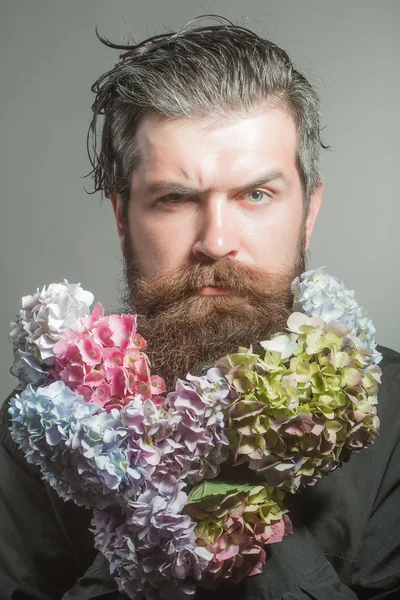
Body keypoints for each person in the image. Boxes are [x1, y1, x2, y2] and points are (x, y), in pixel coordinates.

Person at [1, 18, 399, 600]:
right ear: (122, 218)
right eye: (174, 199)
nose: (215, 240)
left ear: (308, 212)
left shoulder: (395, 419)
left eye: (256, 195)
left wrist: (244, 522)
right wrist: (142, 528)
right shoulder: (36, 432)